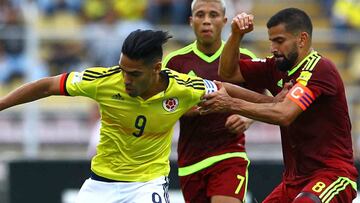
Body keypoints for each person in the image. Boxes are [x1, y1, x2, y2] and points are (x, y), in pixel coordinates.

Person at [0, 29, 276, 203]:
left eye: (133, 74)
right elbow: (47, 85)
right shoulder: (104, 80)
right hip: (100, 185)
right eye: (122, 70)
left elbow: (226, 88)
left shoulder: (183, 87)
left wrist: (272, 103)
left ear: (156, 68)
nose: (125, 79)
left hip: (147, 185)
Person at [200, 8, 358, 202]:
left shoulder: (319, 69)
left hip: (332, 175)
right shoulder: (276, 66)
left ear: (302, 39)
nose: (273, 48)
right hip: (293, 182)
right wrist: (236, 35)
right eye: (271, 41)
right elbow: (227, 73)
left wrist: (230, 104)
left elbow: (284, 114)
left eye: (279, 41)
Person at [162, 0, 260, 202]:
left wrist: (246, 117)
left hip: (229, 155)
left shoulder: (244, 58)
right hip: (191, 161)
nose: (206, 21)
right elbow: (165, 106)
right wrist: (193, 108)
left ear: (224, 21)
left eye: (213, 15)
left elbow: (266, 101)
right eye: (200, 15)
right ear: (191, 21)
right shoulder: (174, 62)